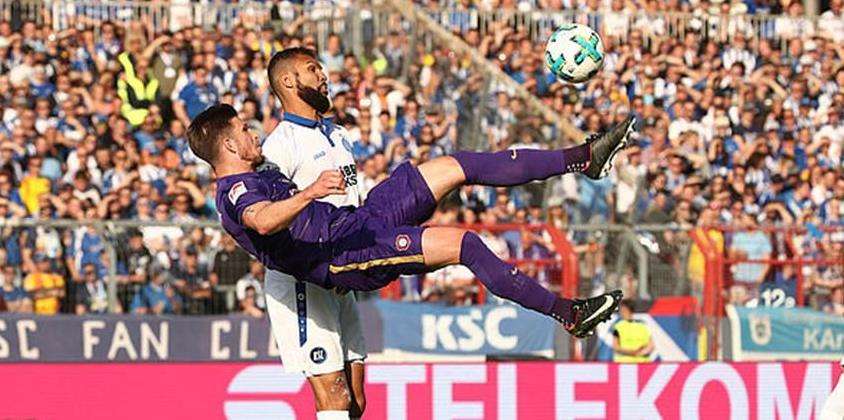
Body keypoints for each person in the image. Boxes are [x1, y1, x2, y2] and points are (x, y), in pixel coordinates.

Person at [189, 100, 630, 328]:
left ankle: (584, 158)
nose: (253, 133)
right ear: (228, 145)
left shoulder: (258, 167)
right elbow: (262, 220)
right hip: (343, 255)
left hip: (356, 222)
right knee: (464, 244)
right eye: (244, 130)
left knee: (456, 165)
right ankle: (568, 314)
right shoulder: (235, 190)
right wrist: (312, 192)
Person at [260, 47, 368, 420]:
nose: (323, 76)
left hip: (343, 273)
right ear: (288, 81)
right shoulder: (280, 145)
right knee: (334, 400)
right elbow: (270, 217)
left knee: (355, 401)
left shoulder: (339, 134)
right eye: (312, 69)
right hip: (304, 280)